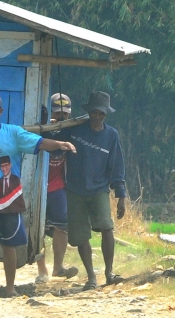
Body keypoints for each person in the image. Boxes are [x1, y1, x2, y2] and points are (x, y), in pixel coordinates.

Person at [0, 92, 76, 298]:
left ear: (0, 112)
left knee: (8, 243)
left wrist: (59, 145)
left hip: (9, 197)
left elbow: (39, 142)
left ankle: (10, 288)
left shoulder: (14, 133)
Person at [56, 91, 126, 291]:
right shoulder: (75, 129)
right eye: (94, 113)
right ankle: (91, 277)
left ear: (106, 115)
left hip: (99, 189)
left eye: (100, 114)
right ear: (89, 112)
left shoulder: (111, 135)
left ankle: (109, 272)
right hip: (75, 190)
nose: (96, 117)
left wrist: (121, 194)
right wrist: (54, 121)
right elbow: (55, 142)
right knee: (80, 235)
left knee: (106, 227)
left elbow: (116, 167)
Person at [35, 93, 78, 284]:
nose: (61, 117)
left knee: (62, 225)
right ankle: (42, 269)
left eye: (65, 114)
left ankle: (58, 267)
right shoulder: (41, 129)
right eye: (58, 113)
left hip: (58, 185)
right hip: (38, 186)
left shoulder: (70, 130)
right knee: (38, 228)